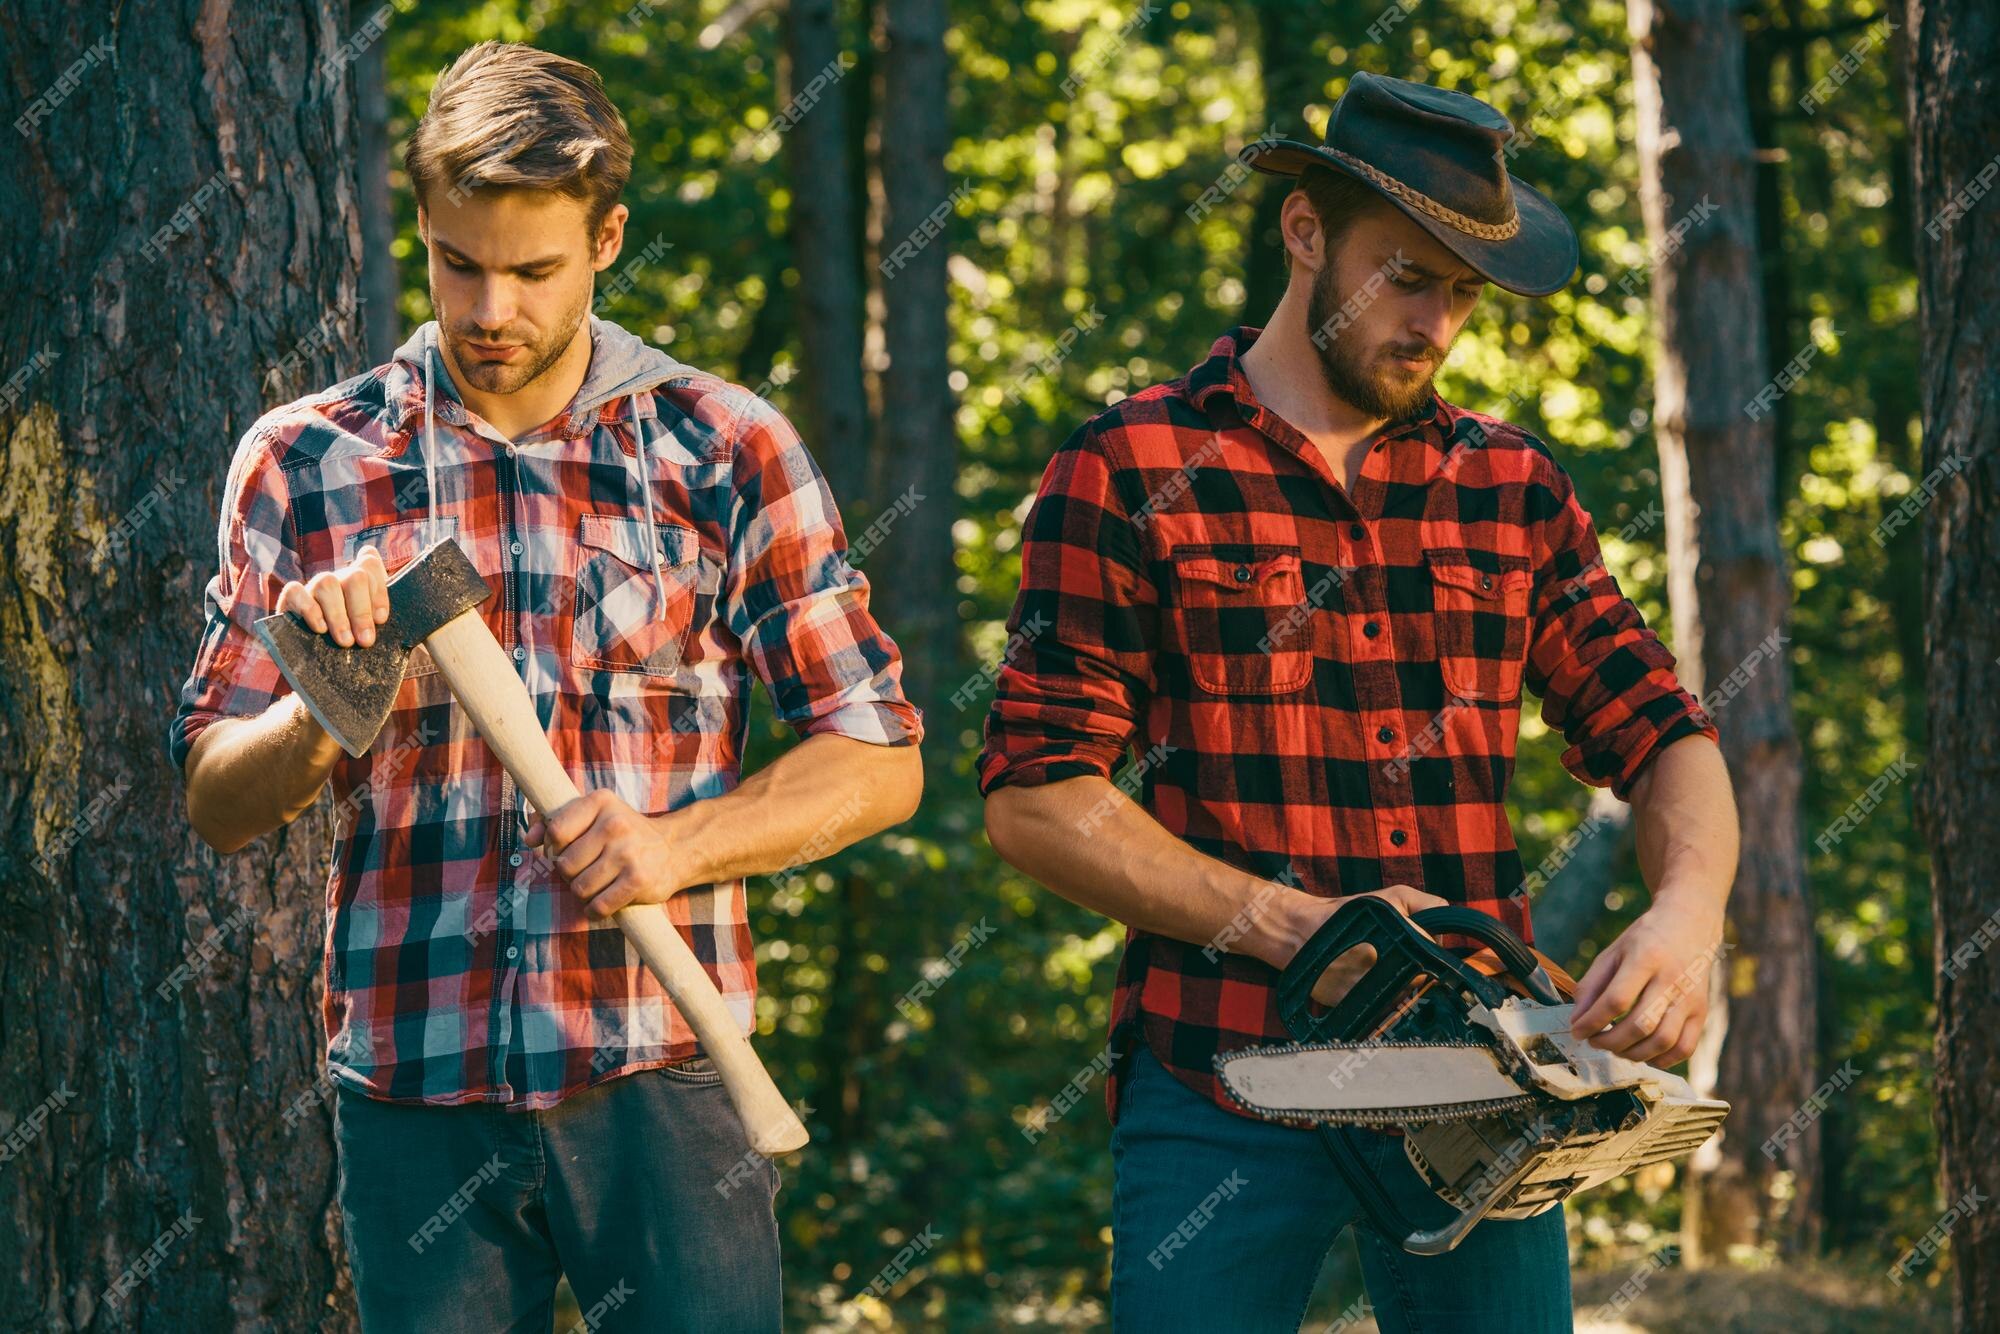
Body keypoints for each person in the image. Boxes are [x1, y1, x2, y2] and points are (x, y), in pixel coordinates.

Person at [168, 41, 923, 1333]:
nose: (490, 309)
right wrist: (327, 700)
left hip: (667, 1078)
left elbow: (880, 756)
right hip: (415, 1089)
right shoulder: (308, 460)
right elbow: (217, 803)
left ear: (608, 236)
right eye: (460, 263)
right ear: (422, 227)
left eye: (533, 270)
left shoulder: (723, 447)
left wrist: (677, 843)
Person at [978, 71, 1738, 1332]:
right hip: (1218, 1074)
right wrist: (1306, 931)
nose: (1435, 322)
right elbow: (1036, 799)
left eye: (1460, 292)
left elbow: (1664, 735)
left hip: (1482, 1083)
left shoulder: (1508, 486)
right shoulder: (1129, 464)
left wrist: (1686, 918)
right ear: (1304, 232)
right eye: (1405, 274)